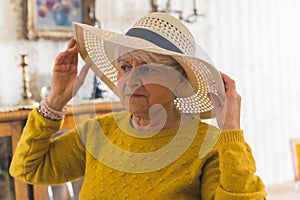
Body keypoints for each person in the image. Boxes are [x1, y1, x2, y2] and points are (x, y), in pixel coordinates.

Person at [9, 12, 267, 199]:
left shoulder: (207, 146)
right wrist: (56, 99)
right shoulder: (99, 132)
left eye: (148, 68)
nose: (131, 78)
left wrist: (230, 129)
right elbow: (27, 168)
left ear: (180, 83)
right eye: (125, 67)